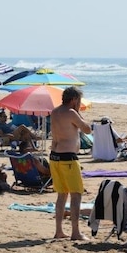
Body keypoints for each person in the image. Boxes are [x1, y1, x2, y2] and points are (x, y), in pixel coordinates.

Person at [49, 87, 91, 240]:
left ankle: (59, 230)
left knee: (62, 194)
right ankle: (75, 232)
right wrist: (78, 112)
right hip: (68, 157)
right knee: (76, 194)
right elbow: (87, 130)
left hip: (54, 156)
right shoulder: (71, 113)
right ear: (74, 99)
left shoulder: (55, 111)